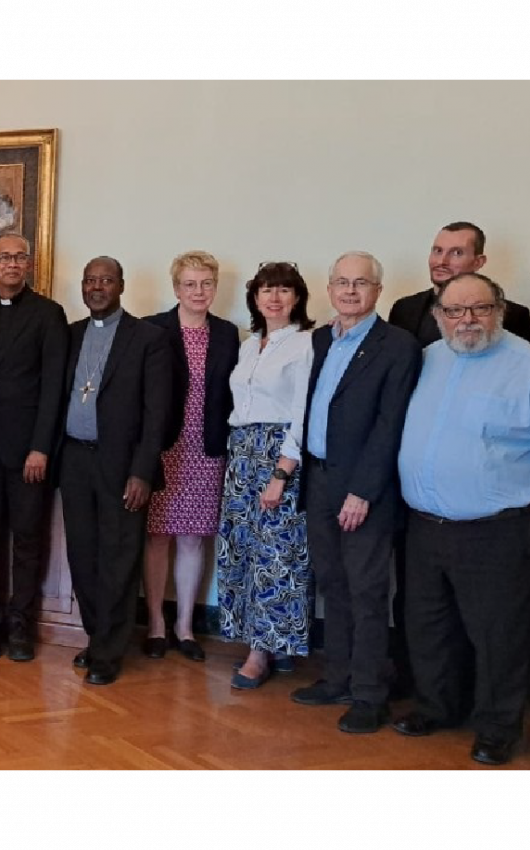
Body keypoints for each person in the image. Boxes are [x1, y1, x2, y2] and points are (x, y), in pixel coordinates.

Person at [393, 272, 530, 766]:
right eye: (455, 310)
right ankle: (437, 707)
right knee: (429, 625)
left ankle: (497, 729)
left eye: (479, 309)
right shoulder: (428, 359)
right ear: (438, 316)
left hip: (499, 530)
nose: (467, 320)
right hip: (425, 525)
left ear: (499, 311)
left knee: (499, 635)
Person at [290, 251, 420, 734]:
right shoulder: (321, 338)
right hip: (319, 478)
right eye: (342, 282)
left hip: (364, 489)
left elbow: (391, 425)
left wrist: (363, 491)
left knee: (367, 592)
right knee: (333, 584)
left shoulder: (398, 346)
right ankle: (337, 678)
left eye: (360, 282)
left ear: (377, 291)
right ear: (329, 289)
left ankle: (369, 694)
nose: (350, 290)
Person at [58, 256, 173, 686]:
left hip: (123, 465)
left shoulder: (148, 338)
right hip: (75, 460)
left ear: (121, 286)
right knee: (82, 555)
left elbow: (157, 413)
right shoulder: (71, 334)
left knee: (119, 557)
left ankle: (109, 651)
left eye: (106, 280)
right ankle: (97, 636)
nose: (97, 287)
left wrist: (142, 471)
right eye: (90, 280)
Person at [0, 233, 68, 661]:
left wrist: (41, 447)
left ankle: (22, 625)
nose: (11, 264)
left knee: (27, 539)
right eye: (3, 257)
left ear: (29, 264)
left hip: (28, 453)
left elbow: (54, 388)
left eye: (19, 257)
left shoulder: (49, 314)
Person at [217, 262, 316, 689]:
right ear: (255, 299)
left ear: (297, 298)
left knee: (276, 554)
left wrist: (281, 473)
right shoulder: (248, 345)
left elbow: (303, 413)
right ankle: (274, 645)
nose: (274, 298)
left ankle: (261, 653)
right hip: (242, 453)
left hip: (279, 455)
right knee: (242, 548)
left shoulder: (307, 344)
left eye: (284, 290)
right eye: (266, 290)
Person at [142, 251, 239, 662]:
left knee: (193, 538)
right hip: (165, 448)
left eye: (206, 284)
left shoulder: (228, 333)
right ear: (176, 288)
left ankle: (184, 627)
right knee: (157, 536)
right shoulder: (153, 328)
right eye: (190, 284)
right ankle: (155, 624)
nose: (199, 291)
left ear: (215, 287)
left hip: (206, 449)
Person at [388, 221, 530, 348]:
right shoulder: (404, 309)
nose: (442, 261)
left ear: (478, 262)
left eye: (457, 253)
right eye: (438, 251)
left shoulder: (514, 316)